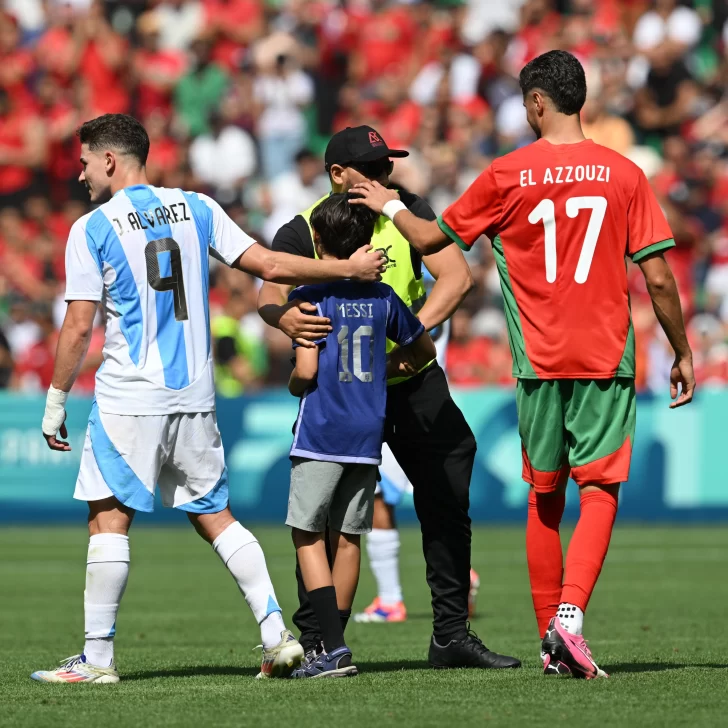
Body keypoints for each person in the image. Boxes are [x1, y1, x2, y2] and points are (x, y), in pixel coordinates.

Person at [349, 50, 695, 679]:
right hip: (603, 356)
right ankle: (569, 620)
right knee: (600, 489)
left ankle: (549, 639)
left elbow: (430, 241)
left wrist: (386, 201)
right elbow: (660, 279)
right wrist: (682, 350)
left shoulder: (507, 174)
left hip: (537, 361)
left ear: (538, 102)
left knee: (544, 495)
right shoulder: (624, 174)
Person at [32, 113, 384, 684]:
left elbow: (77, 326)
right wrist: (345, 268)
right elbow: (269, 264)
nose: (80, 176)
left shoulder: (92, 228)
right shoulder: (197, 207)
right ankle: (277, 636)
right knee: (215, 515)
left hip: (130, 397)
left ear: (110, 161)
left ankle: (96, 661)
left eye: (84, 162)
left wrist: (55, 401)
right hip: (196, 395)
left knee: (108, 521)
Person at [258, 124, 520, 670]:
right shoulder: (307, 227)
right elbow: (269, 292)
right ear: (337, 175)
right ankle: (320, 643)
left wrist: (406, 343)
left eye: (388, 168)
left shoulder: (408, 211)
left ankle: (450, 633)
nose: (384, 178)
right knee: (328, 519)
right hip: (345, 392)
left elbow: (455, 277)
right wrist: (290, 322)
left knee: (446, 490)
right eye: (373, 170)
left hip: (411, 383)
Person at [285, 193, 435, 678]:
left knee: (308, 534)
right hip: (368, 431)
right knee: (349, 537)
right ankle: (339, 640)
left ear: (318, 240)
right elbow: (422, 351)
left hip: (322, 429)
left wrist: (293, 382)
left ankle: (328, 646)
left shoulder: (310, 294)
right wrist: (378, 368)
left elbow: (305, 371)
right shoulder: (383, 296)